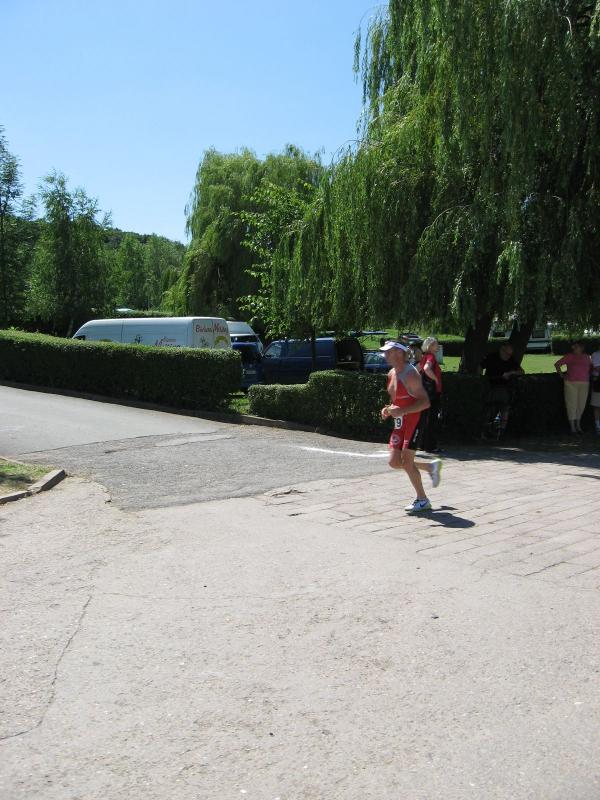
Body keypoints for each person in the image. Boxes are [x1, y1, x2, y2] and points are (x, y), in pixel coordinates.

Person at [380, 340, 442, 512]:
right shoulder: (391, 373)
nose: (385, 355)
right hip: (400, 421)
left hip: (415, 420)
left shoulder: (410, 374)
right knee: (394, 462)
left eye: (389, 351)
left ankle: (423, 500)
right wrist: (388, 409)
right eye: (385, 352)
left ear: (399, 353)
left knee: (407, 462)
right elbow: (398, 401)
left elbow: (425, 402)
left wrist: (401, 410)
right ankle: (430, 467)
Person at [480, 342, 524, 437]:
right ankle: (484, 430)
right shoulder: (491, 357)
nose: (508, 356)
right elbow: (480, 367)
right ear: (501, 350)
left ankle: (501, 432)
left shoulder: (511, 360)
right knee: (489, 408)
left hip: (504, 388)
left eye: (510, 354)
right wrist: (480, 380)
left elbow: (521, 371)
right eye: (507, 354)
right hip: (490, 386)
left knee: (505, 407)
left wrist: (511, 373)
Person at [555, 340, 592, 433]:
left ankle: (578, 425)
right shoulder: (569, 356)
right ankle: (573, 427)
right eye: (573, 347)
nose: (573, 348)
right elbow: (557, 364)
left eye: (576, 347)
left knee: (581, 405)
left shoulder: (586, 357)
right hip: (570, 384)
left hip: (584, 383)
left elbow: (591, 367)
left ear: (581, 348)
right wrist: (561, 375)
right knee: (571, 404)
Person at [418, 336, 443, 452]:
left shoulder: (424, 357)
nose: (438, 346)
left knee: (424, 418)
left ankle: (421, 444)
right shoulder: (431, 357)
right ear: (431, 346)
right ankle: (430, 446)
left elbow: (417, 369)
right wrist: (436, 379)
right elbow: (427, 368)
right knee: (431, 419)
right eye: (436, 344)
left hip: (425, 392)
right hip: (433, 392)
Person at [592, 342, 600, 436]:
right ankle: (598, 426)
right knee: (597, 405)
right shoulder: (596, 354)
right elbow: (598, 368)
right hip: (598, 381)